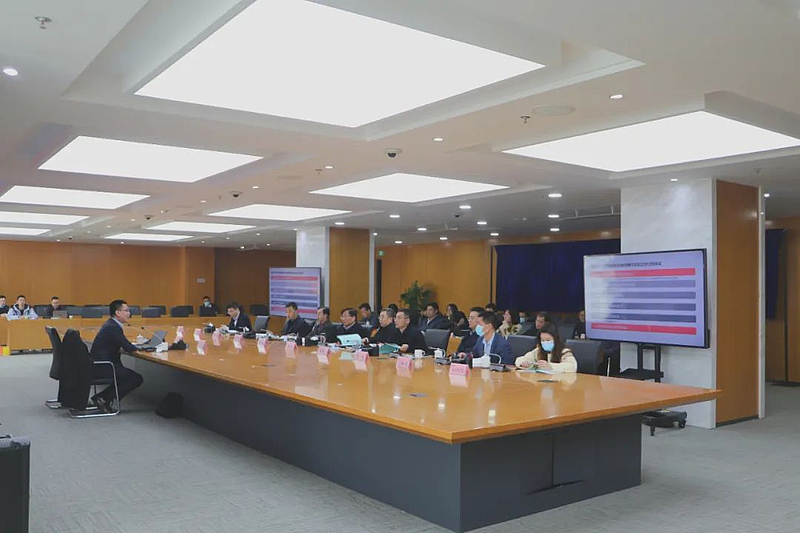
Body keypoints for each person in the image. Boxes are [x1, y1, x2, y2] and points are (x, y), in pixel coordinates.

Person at [89, 300, 144, 413]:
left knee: (125, 377)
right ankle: (104, 398)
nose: (129, 313)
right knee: (136, 379)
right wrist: (145, 347)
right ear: (117, 313)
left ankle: (101, 398)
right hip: (103, 366)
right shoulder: (113, 327)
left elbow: (118, 344)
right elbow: (129, 348)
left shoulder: (111, 324)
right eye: (126, 311)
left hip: (100, 363)